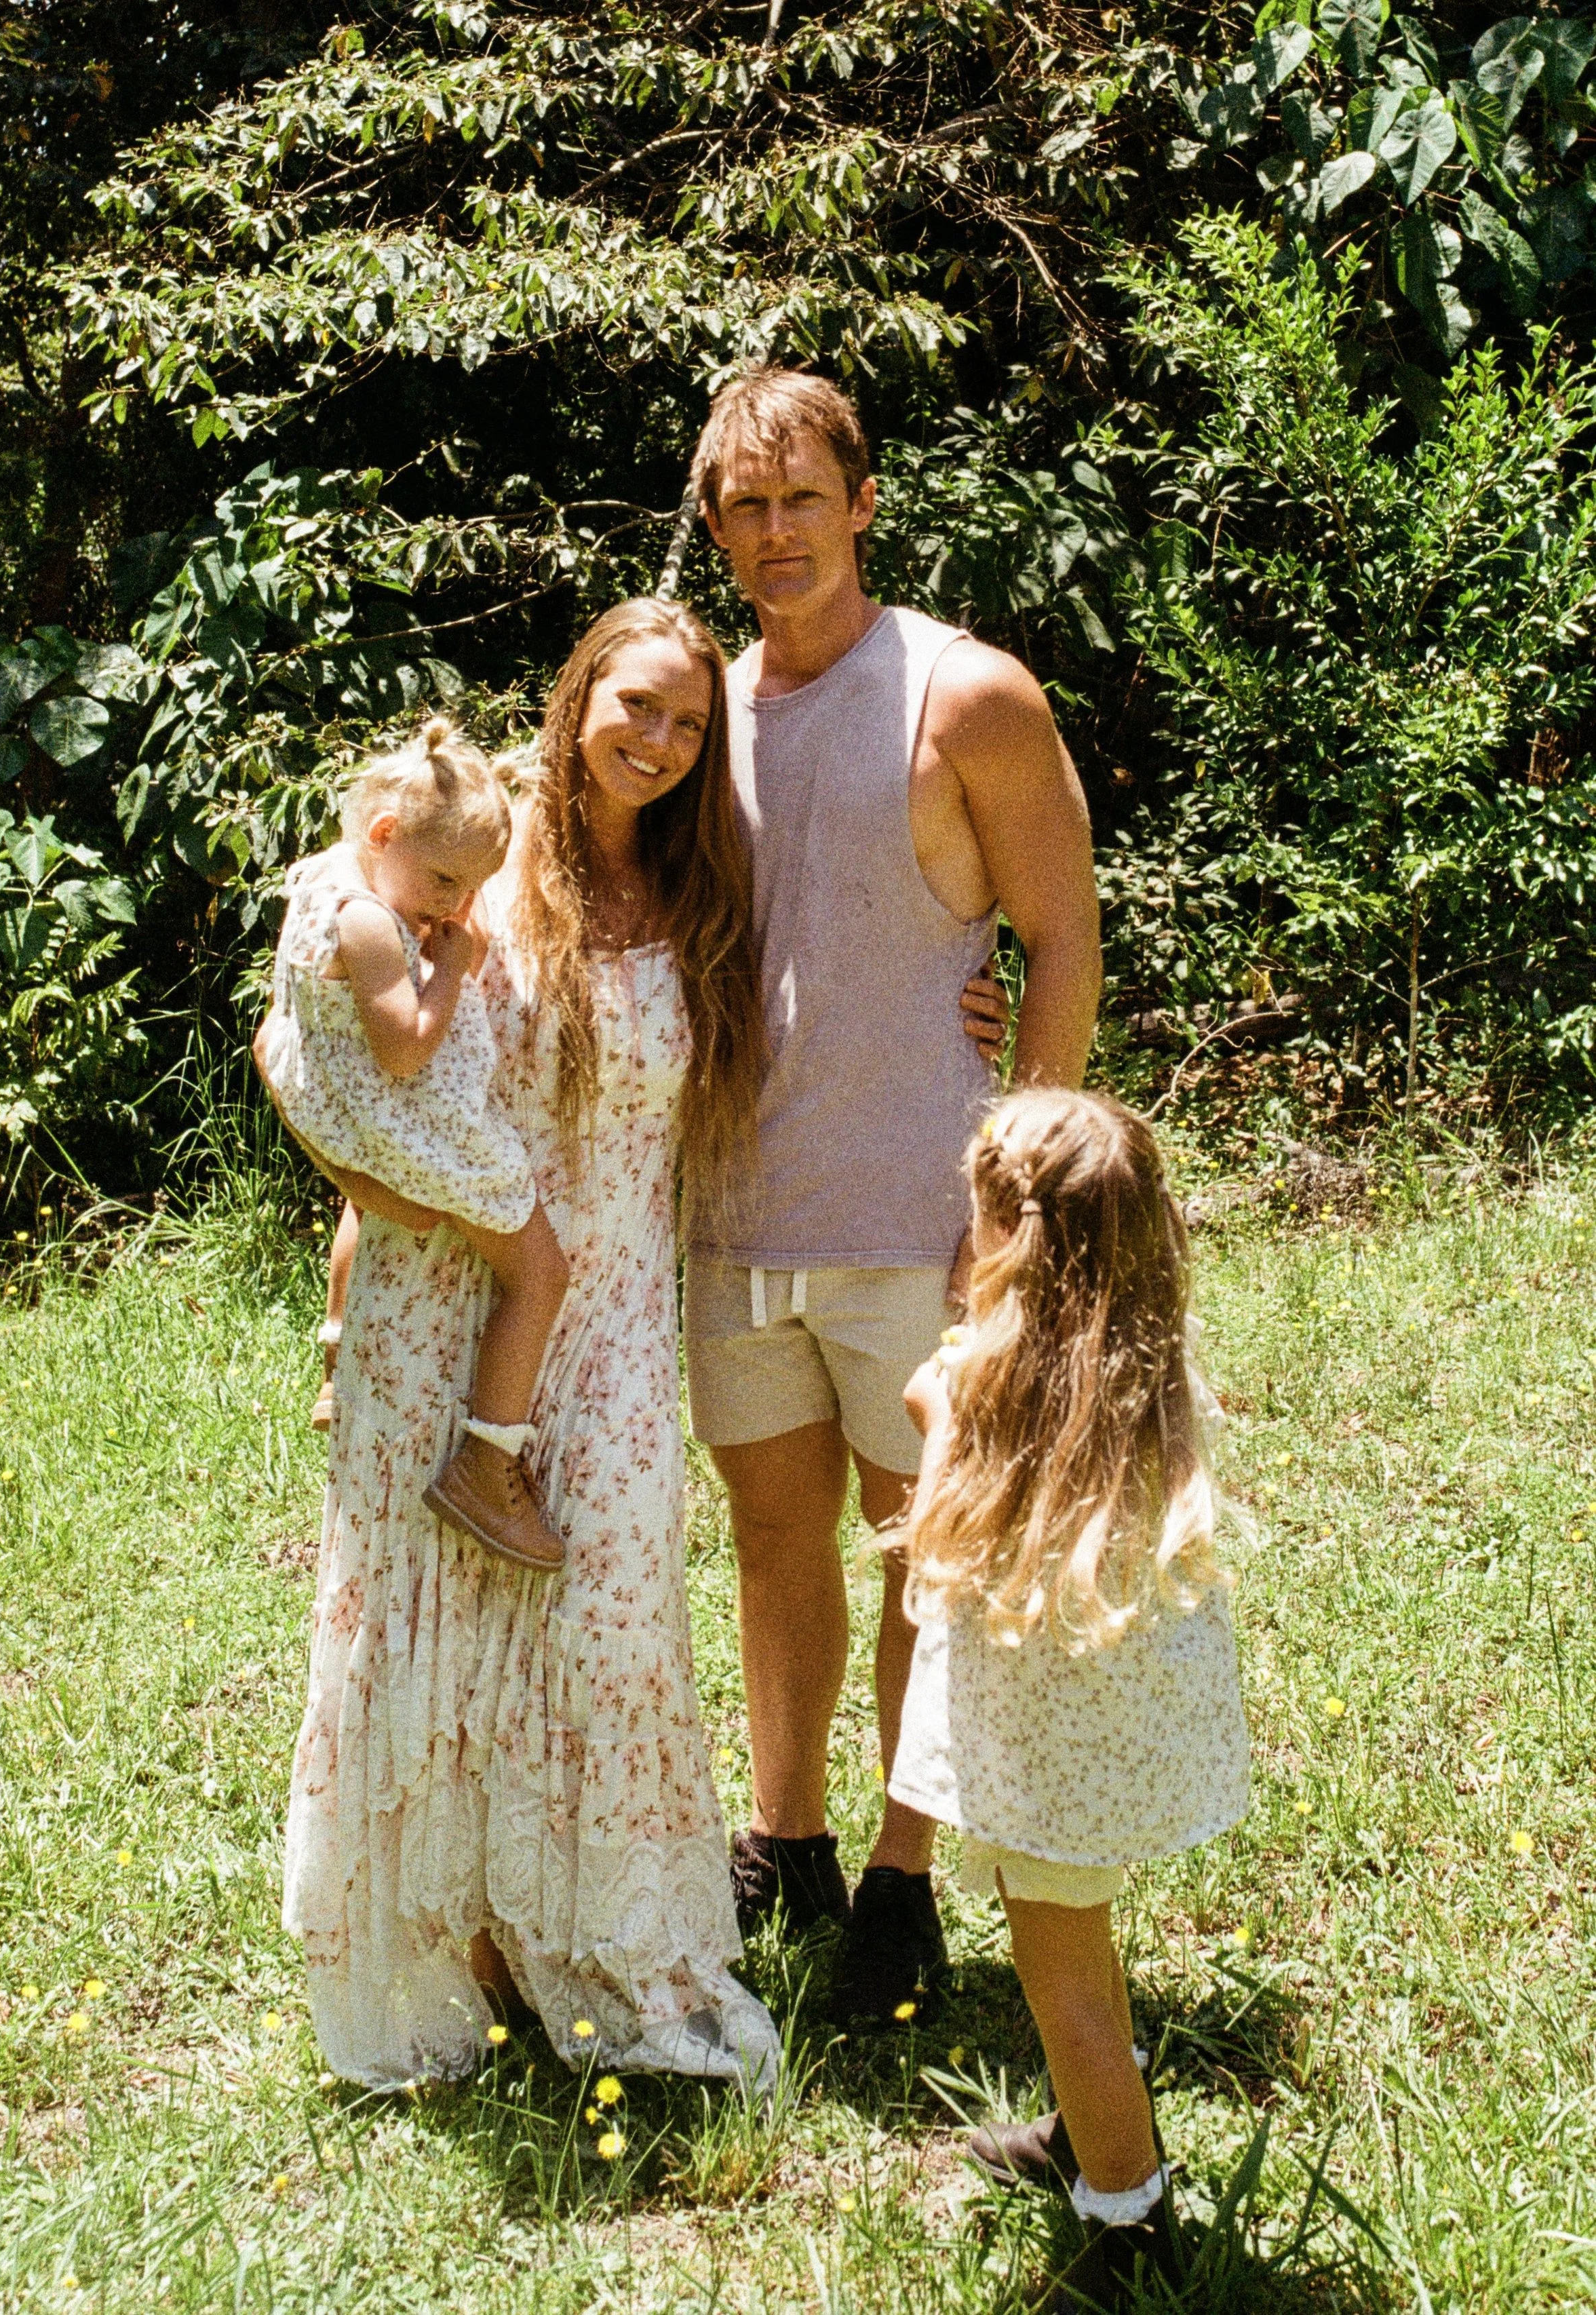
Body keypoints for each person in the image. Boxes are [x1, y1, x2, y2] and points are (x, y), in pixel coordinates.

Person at [269, 598, 785, 2093]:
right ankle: (463, 1952)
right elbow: (322, 1050)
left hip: (612, 1296)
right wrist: (349, 1242)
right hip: (450, 1292)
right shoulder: (475, 858)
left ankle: (615, 1943)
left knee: (611, 1608)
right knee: (438, 1621)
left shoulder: (703, 884)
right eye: (634, 704)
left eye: (688, 722)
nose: (658, 739)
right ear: (576, 700)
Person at [681, 366, 1104, 2022]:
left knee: (924, 1552)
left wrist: (1020, 1180)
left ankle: (899, 1878)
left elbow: (1060, 932)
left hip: (922, 1210)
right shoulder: (696, 708)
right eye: (743, 504)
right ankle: (784, 1840)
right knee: (775, 1545)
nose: (775, 532)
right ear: (714, 525)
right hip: (734, 1216)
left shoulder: (963, 692)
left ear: (862, 503)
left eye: (803, 499)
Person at [891, 1088, 1249, 2312]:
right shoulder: (1141, 1362)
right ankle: (1092, 2122)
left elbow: (935, 1553)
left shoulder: (987, 1386)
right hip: (1123, 1734)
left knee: (1067, 1984)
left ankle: (1126, 2210)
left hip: (1047, 1753)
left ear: (1009, 1235)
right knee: (1082, 1956)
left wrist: (932, 1417)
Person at [260, 719, 570, 1572]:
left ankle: (334, 1358)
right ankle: (487, 1461)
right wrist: (453, 967)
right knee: (541, 1272)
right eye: (443, 879)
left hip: (336, 1091)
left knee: (367, 1201)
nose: (451, 906)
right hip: (408, 1116)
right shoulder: (367, 922)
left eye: (472, 888)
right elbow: (403, 1050)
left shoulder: (334, 869)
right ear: (386, 834)